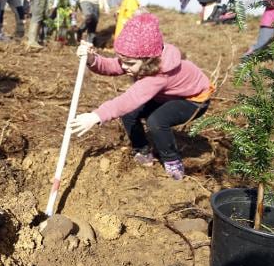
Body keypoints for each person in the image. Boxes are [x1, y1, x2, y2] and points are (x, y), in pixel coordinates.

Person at [70, 13, 214, 180]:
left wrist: (96, 116)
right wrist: (91, 59)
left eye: (129, 64)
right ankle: (142, 149)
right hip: (165, 96)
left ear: (148, 61)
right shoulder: (137, 58)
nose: (124, 67)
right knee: (129, 114)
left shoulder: (159, 74)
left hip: (193, 99)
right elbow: (111, 66)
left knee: (157, 120)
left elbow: (129, 99)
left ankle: (172, 161)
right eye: (122, 60)